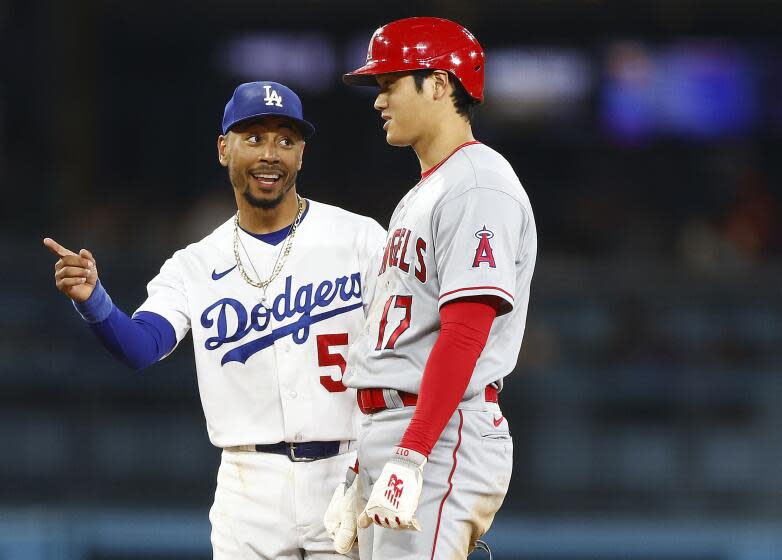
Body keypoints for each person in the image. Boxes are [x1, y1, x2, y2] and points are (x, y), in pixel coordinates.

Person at [43, 81, 386, 560]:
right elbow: (143, 347)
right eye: (254, 138)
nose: (271, 154)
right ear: (224, 149)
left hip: (348, 467)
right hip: (250, 488)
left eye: (286, 141)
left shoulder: (361, 239)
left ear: (302, 154)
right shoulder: (194, 264)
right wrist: (95, 301)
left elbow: (405, 347)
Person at [324, 17, 538, 559]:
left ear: (440, 84)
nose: (379, 100)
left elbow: (464, 333)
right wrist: (363, 458)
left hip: (440, 435)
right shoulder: (429, 189)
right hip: (399, 426)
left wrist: (412, 454)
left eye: (390, 83)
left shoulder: (478, 185)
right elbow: (400, 337)